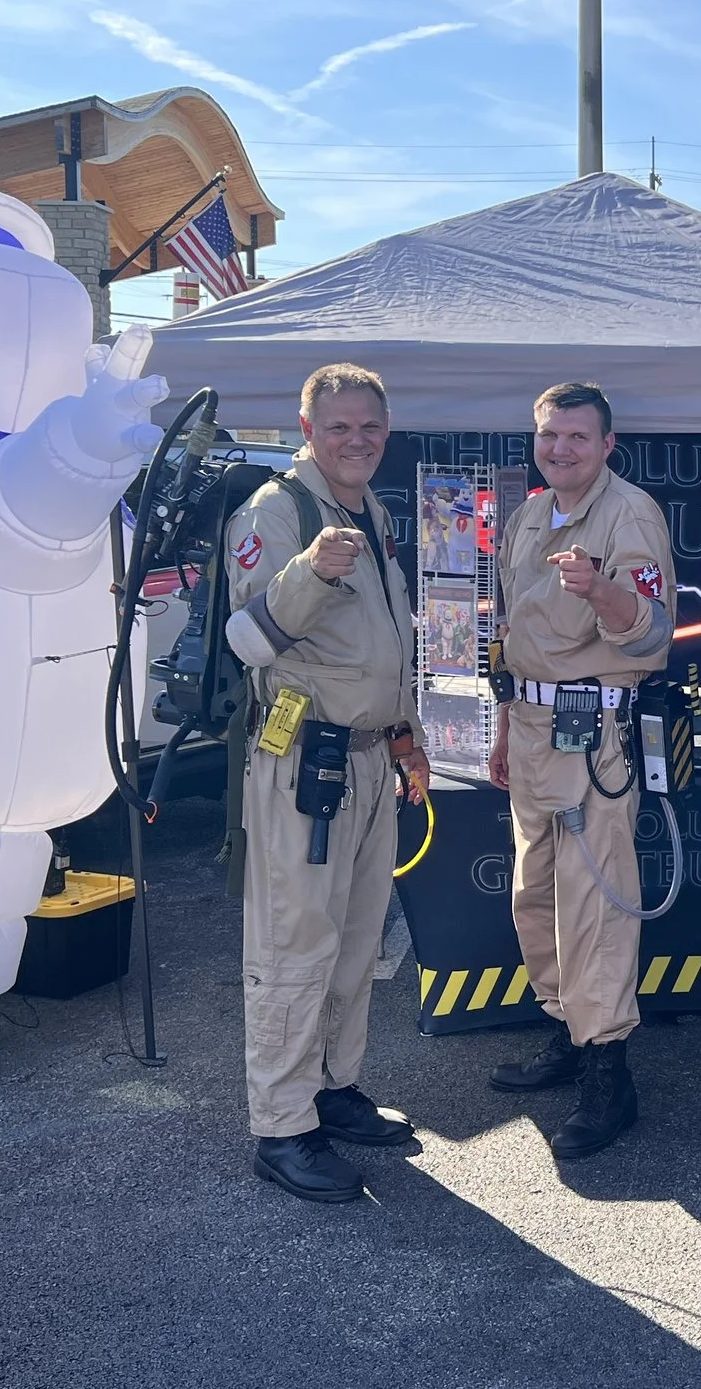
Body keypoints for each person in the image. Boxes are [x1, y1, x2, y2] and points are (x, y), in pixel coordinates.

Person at [222, 363, 429, 1203]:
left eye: (369, 426)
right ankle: (281, 1127)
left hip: (371, 758)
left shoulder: (369, 510)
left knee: (353, 940)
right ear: (306, 429)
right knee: (292, 945)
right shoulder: (277, 513)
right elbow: (246, 638)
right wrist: (310, 569)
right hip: (305, 763)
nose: (357, 440)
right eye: (339, 426)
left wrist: (407, 734)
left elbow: (384, 643)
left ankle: (334, 1088)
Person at [485, 383, 676, 1159]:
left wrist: (601, 590)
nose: (560, 449)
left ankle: (609, 1074)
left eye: (576, 438)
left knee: (595, 905)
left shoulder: (630, 515)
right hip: (531, 728)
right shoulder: (534, 513)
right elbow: (513, 630)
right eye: (548, 435)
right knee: (536, 899)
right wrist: (503, 725)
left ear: (607, 445)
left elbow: (653, 634)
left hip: (594, 732)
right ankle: (569, 1031)